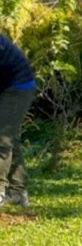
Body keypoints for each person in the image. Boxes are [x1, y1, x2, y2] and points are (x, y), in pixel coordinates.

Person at [0, 34, 36, 208]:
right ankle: (18, 191)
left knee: (1, 137)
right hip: (4, 84)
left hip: (17, 86)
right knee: (8, 138)